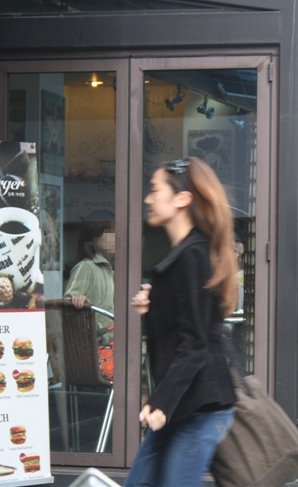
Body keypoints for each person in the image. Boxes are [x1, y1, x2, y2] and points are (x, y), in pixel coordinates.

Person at [126, 157, 237, 487]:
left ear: (182, 198)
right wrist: (155, 307)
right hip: (181, 403)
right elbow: (186, 326)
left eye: (155, 190)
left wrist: (160, 402)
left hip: (198, 407)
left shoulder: (193, 255)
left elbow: (196, 343)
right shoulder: (185, 254)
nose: (148, 199)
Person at [64, 210, 115, 345]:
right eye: (110, 232)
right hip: (96, 347)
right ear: (94, 235)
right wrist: (76, 300)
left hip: (116, 344)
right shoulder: (86, 267)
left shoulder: (113, 270)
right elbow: (66, 305)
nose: (115, 237)